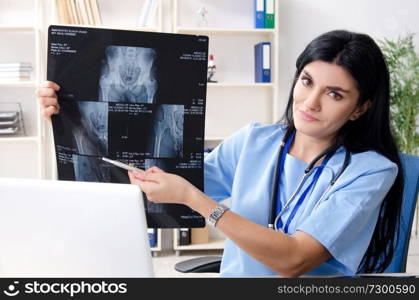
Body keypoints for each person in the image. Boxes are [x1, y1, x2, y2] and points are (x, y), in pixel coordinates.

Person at [37, 30, 403, 277]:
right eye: (307, 82)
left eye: (334, 94)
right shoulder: (257, 140)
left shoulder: (371, 170)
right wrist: (69, 114)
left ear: (360, 108)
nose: (310, 102)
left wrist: (196, 200)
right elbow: (145, 175)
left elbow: (294, 259)